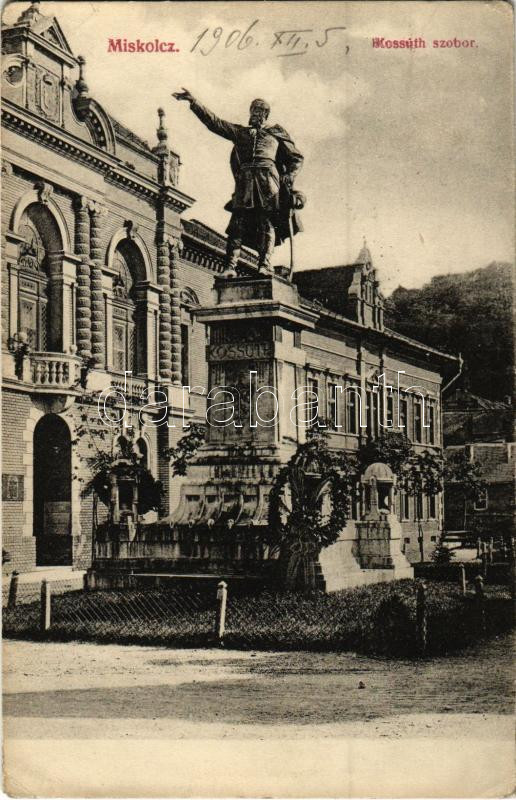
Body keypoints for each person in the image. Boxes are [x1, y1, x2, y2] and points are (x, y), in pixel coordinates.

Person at [173, 89, 304, 274]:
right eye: (253, 110)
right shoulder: (240, 132)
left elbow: (296, 158)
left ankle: (264, 264)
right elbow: (215, 123)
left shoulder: (276, 133)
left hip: (268, 181)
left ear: (266, 114)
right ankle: (230, 266)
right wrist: (194, 102)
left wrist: (289, 175)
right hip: (245, 182)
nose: (255, 114)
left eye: (259, 110)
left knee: (266, 222)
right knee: (237, 223)